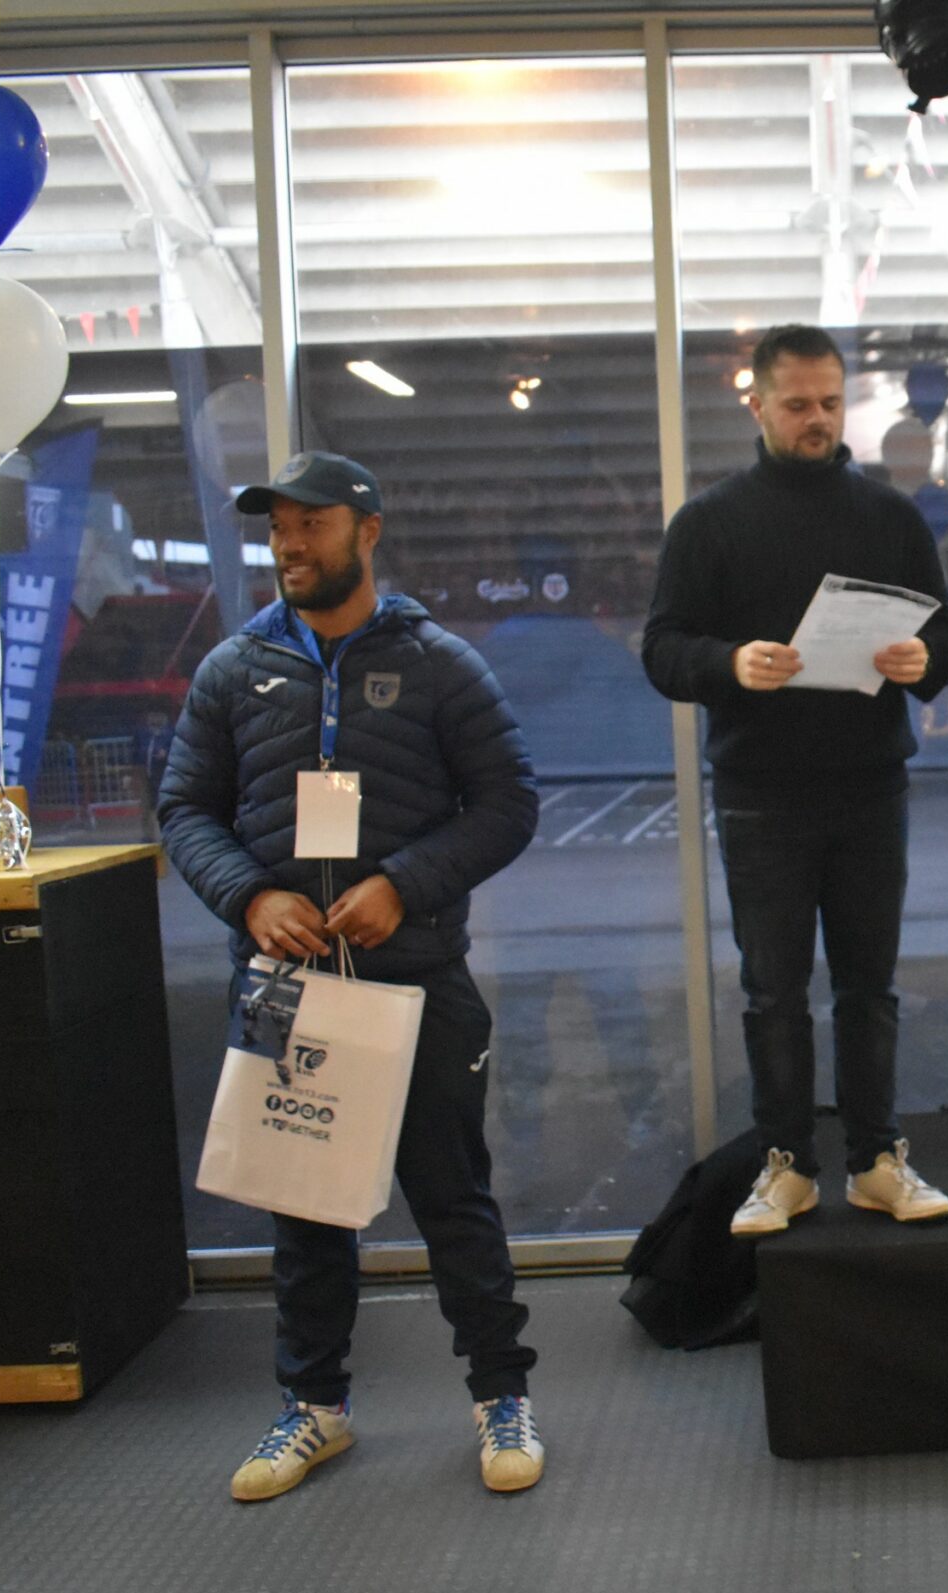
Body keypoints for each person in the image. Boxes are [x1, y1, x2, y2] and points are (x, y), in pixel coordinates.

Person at [158, 451, 546, 1499]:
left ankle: (502, 1395)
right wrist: (249, 896)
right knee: (303, 1211)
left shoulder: (439, 665)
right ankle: (313, 1407)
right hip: (286, 991)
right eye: (278, 527)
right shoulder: (233, 670)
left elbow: (508, 802)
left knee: (452, 1199)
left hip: (414, 982)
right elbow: (184, 808)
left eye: (311, 524)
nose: (289, 544)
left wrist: (403, 886)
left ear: (367, 532)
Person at [643, 324, 948, 1240]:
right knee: (773, 990)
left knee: (871, 986)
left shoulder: (890, 517)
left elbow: (944, 635)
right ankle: (785, 1163)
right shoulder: (709, 522)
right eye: (797, 405)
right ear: (756, 404)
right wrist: (730, 662)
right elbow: (662, 648)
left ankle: (875, 1158)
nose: (817, 419)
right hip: (762, 792)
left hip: (870, 785)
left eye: (830, 402)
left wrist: (924, 660)